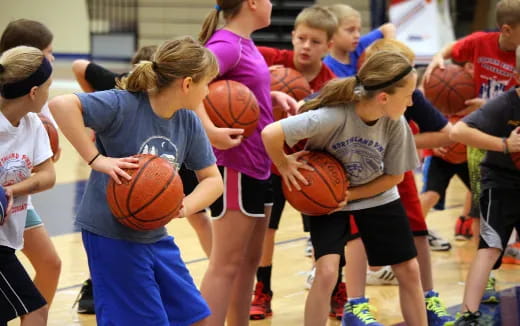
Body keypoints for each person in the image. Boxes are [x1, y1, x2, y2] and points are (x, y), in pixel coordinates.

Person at [49, 36, 223, 325]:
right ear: (188, 84)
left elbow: (212, 180)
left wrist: (182, 205)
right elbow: (61, 105)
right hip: (111, 234)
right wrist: (96, 159)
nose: (208, 92)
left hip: (154, 234)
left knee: (196, 319)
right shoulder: (123, 105)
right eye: (207, 83)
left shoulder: (187, 121)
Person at [262, 50, 427, 326]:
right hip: (326, 202)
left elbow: (394, 178)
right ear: (384, 97)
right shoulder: (333, 116)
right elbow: (270, 133)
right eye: (408, 95)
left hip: (377, 196)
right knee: (326, 272)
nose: (411, 102)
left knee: (409, 270)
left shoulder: (396, 124)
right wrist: (285, 165)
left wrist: (349, 195)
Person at [337, 38, 455, 326]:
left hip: (395, 174)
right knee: (356, 236)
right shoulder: (352, 96)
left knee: (418, 233)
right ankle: (355, 306)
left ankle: (428, 298)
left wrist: (399, 143)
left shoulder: (410, 96)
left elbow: (446, 133)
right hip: (356, 174)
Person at [196, 1, 298, 325]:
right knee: (225, 264)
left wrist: (270, 97)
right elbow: (187, 83)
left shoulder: (245, 42)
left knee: (249, 262)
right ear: (252, 3)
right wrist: (211, 131)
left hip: (259, 162)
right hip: (235, 164)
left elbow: (238, 92)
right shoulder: (225, 45)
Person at [424, 0, 520, 302]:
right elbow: (452, 50)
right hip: (483, 133)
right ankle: (486, 275)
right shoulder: (481, 42)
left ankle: (493, 262)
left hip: (504, 133)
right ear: (507, 29)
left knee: (482, 206)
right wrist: (436, 60)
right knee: (482, 206)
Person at [252, 5, 343, 320]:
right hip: (273, 161)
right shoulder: (272, 61)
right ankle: (262, 290)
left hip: (311, 165)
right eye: (302, 38)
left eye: (315, 41)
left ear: (329, 46)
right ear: (292, 36)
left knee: (324, 234)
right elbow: (227, 50)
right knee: (266, 229)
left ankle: (335, 286)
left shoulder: (332, 84)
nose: (306, 46)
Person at [449, 45, 520, 325]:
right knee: (490, 248)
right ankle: (468, 315)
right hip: (501, 184)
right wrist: (503, 144)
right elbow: (458, 130)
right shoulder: (506, 104)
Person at [0, 18, 62, 307]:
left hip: (18, 197)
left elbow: (47, 172)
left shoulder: (31, 116)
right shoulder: (29, 85)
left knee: (50, 263)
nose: (52, 56)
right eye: (48, 51)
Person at [323, 3, 395, 78]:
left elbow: (388, 27)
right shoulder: (328, 68)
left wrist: (389, 51)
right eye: (350, 30)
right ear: (331, 33)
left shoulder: (358, 44)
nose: (357, 35)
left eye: (359, 30)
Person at [72, 45, 158, 92]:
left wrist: (91, 98)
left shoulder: (122, 81)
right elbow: (79, 66)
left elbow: (78, 65)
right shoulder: (123, 81)